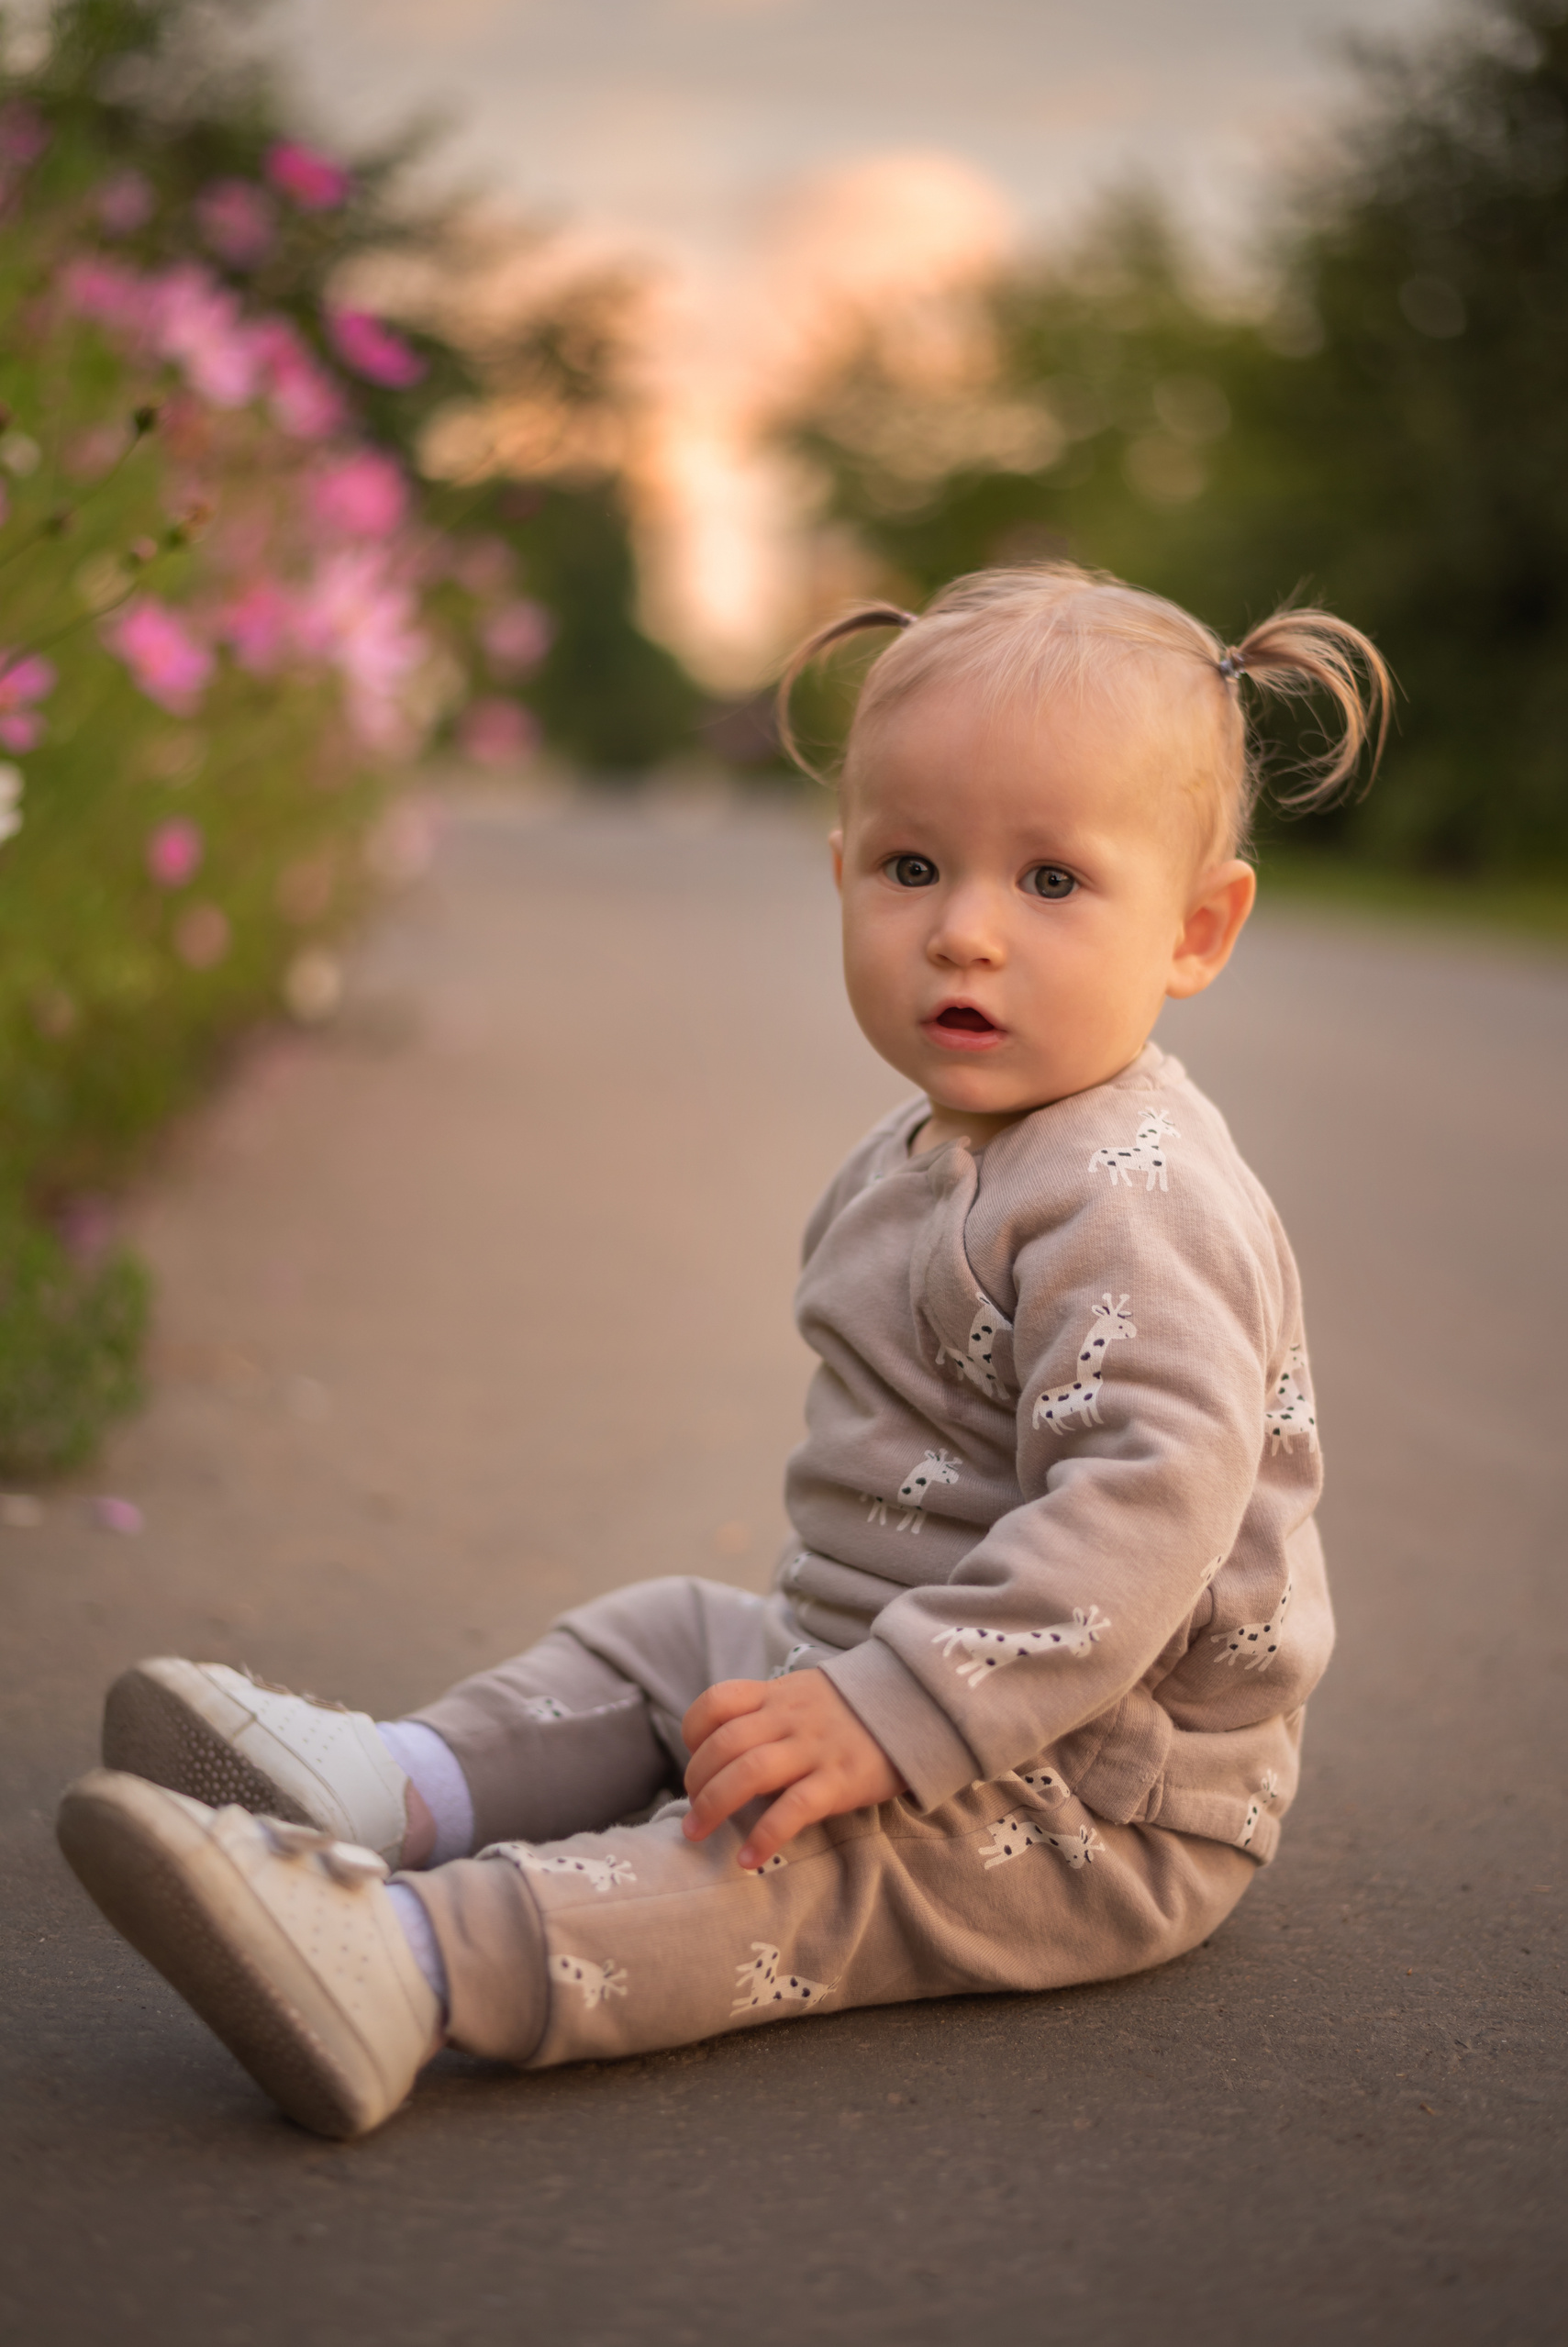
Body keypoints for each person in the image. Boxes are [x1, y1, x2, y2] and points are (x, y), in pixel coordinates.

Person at [57, 562, 1390, 2141]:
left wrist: (884, 1715)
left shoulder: (1138, 1200)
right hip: (892, 1670)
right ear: (839, 877)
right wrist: (846, 1686)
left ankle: (405, 1960)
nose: (963, 932)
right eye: (910, 865)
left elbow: (1138, 1527)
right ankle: (391, 1785)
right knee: (672, 1639)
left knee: (773, 1863)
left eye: (1048, 883)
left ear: (1194, 928)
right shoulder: (937, 1145)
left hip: (1091, 1791)